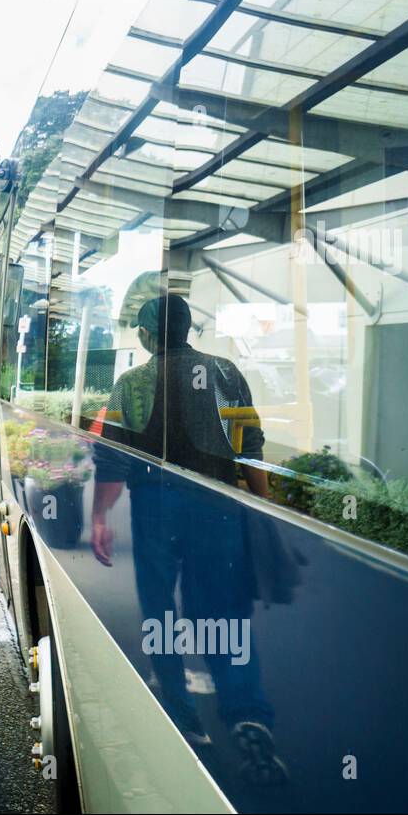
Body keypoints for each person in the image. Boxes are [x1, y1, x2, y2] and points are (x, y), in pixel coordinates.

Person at [90, 294, 286, 787]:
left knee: (160, 609)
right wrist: (260, 509)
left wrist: (99, 517)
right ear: (188, 328)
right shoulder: (224, 373)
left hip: (156, 510)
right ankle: (246, 716)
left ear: (150, 336)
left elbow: (112, 459)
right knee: (222, 612)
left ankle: (183, 722)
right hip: (218, 508)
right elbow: (251, 446)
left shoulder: (132, 383)